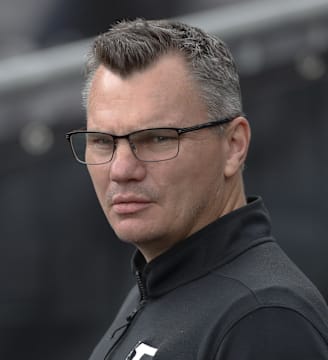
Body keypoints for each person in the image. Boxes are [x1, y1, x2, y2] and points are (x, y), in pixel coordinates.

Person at [66, 19, 328, 359]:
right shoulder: (160, 283)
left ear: (234, 146)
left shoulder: (263, 317)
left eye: (157, 138)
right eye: (102, 141)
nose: (121, 170)